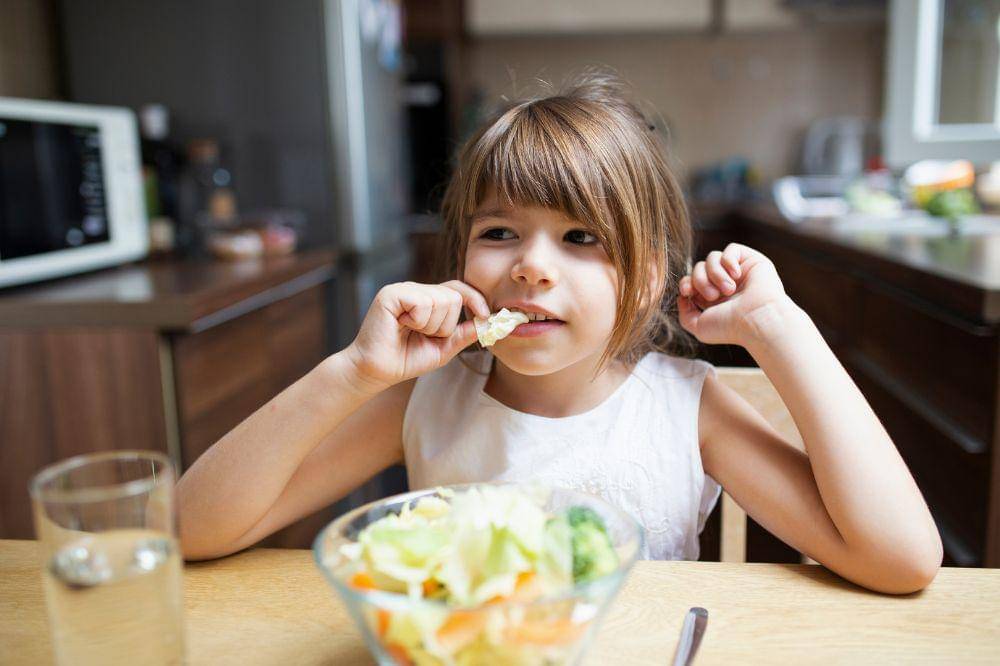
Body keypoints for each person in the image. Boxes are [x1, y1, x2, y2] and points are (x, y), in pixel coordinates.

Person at [176, 73, 941, 594]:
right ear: (461, 258)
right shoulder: (426, 398)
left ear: (643, 278)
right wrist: (352, 373)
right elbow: (191, 530)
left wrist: (778, 329)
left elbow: (901, 559)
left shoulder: (686, 411)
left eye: (581, 239)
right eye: (501, 231)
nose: (532, 268)